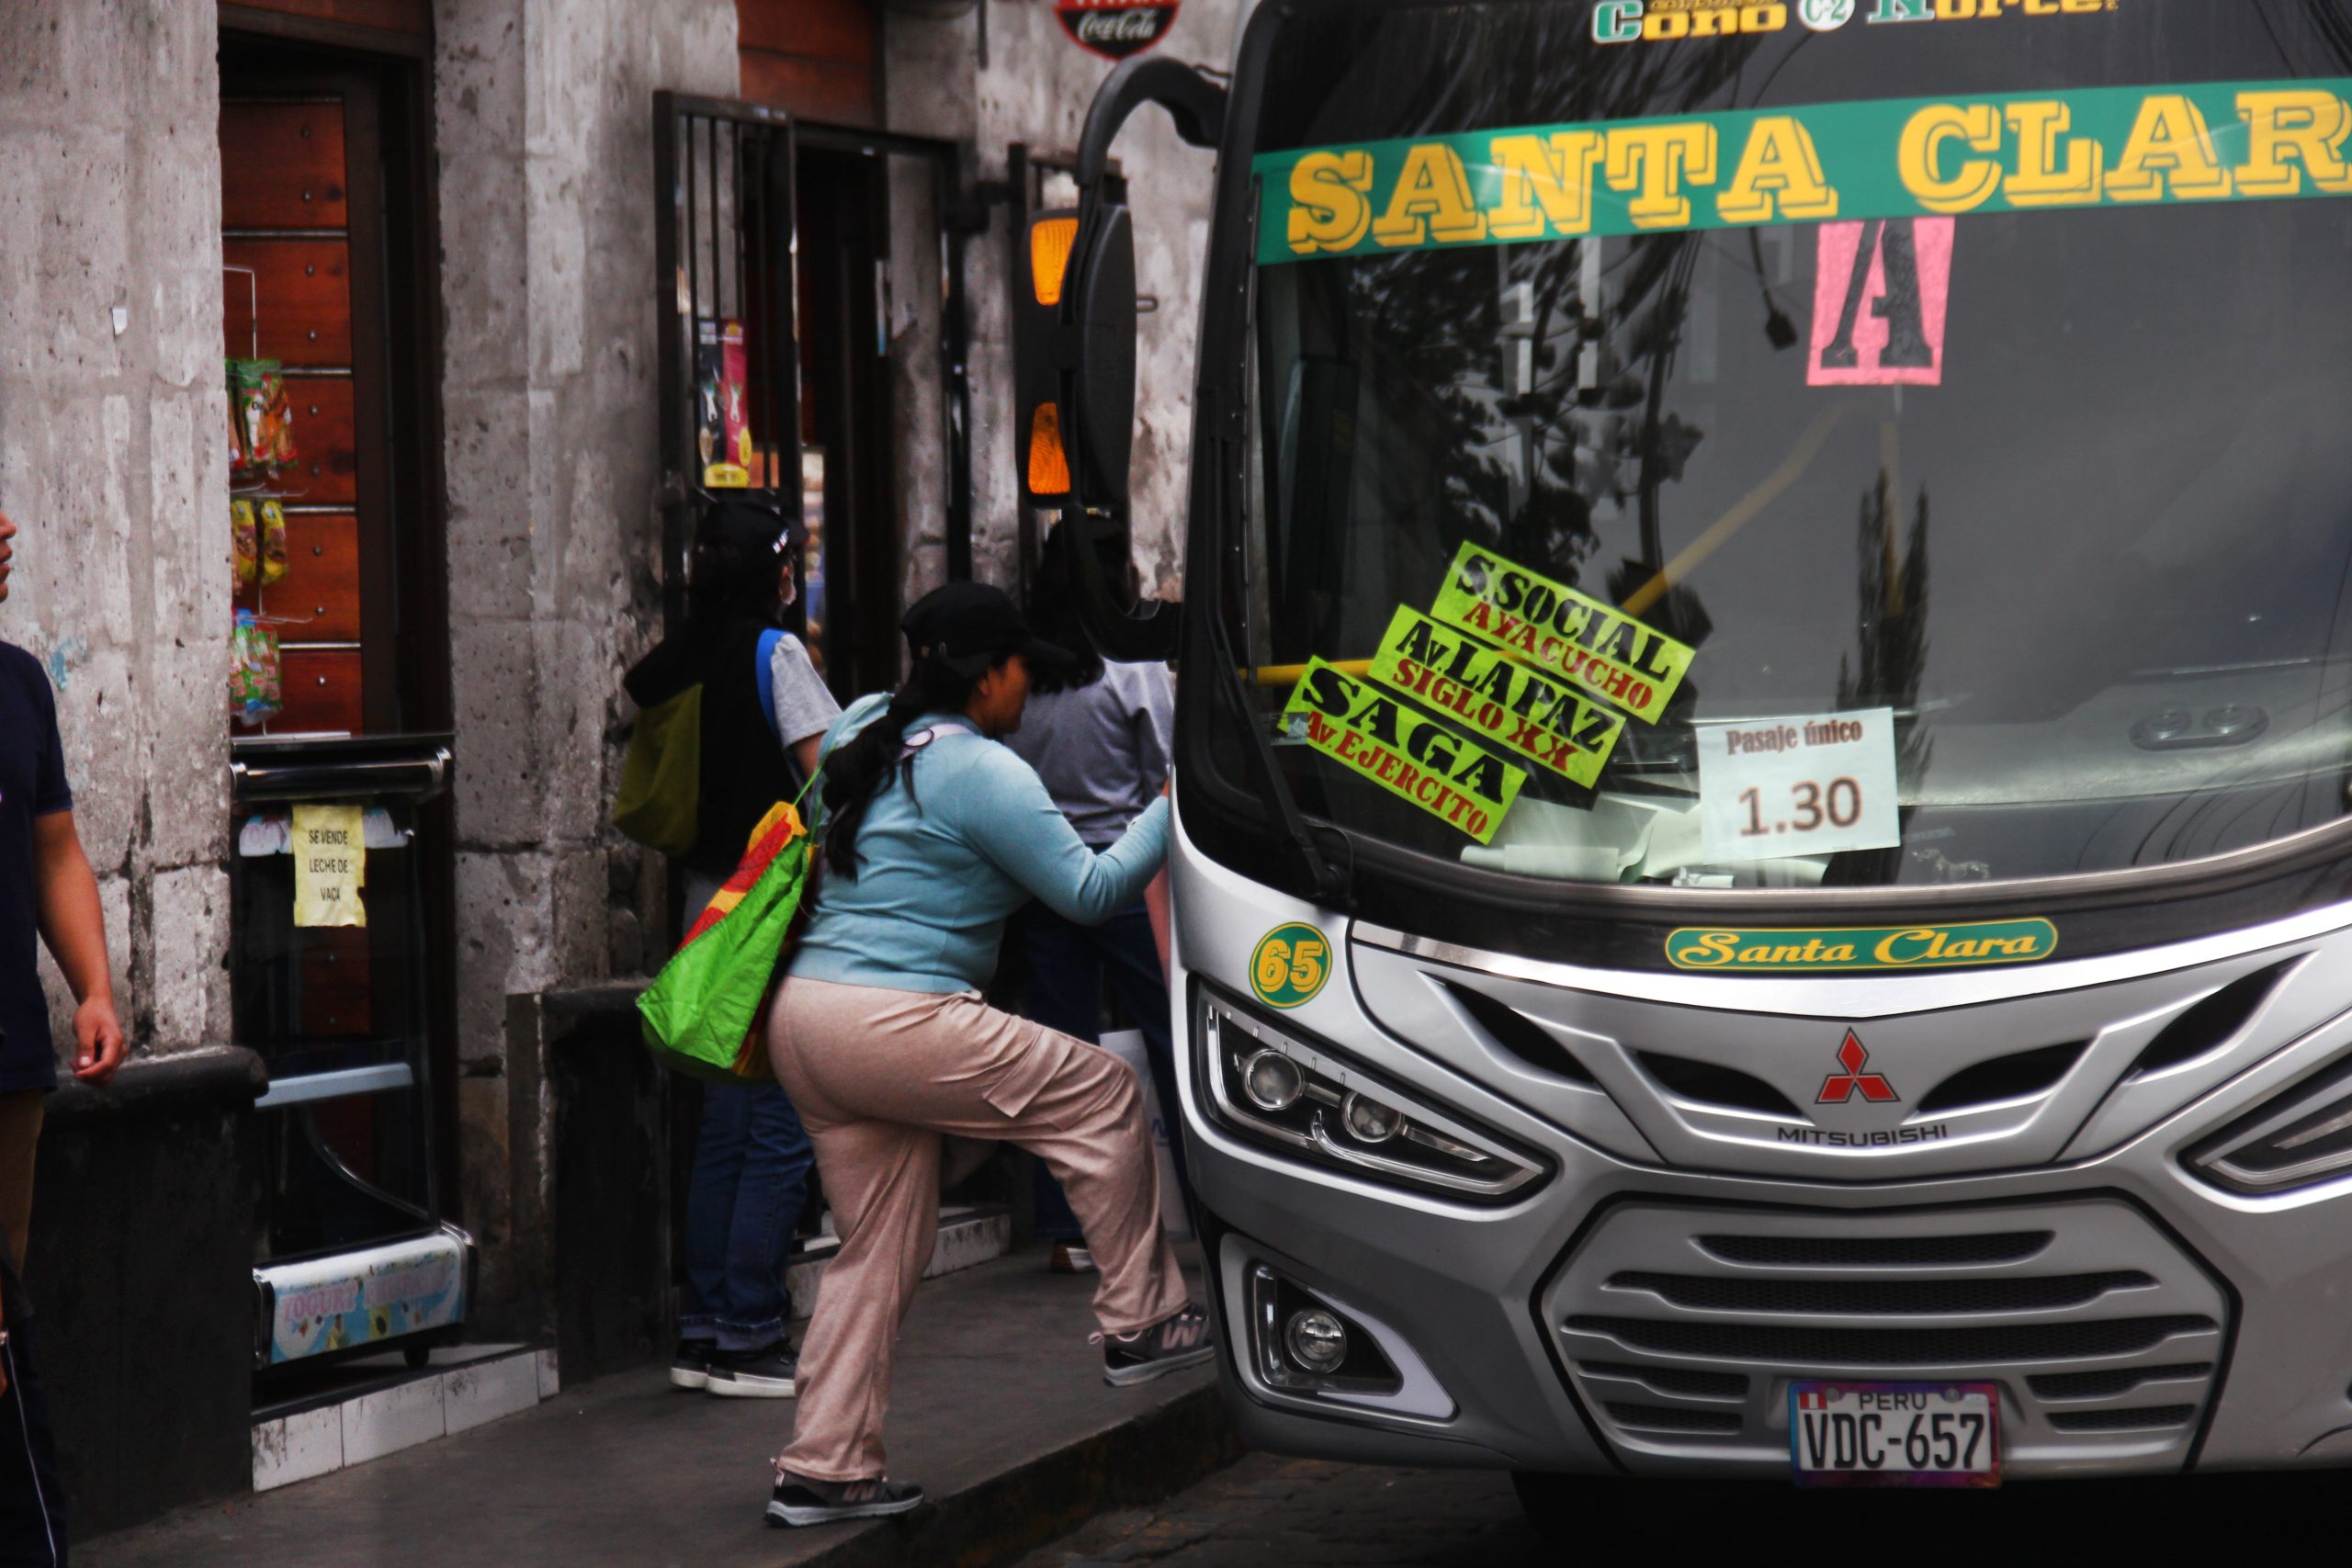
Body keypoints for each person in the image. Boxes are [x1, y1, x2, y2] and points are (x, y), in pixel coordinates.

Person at [762, 582, 1208, 1529]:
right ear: (989, 675)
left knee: (878, 1248)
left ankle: (824, 1468)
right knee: (1105, 1090)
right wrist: (1170, 803)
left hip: (806, 1017)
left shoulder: (868, 727)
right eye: (1022, 676)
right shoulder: (980, 770)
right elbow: (1088, 893)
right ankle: (1144, 1320)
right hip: (891, 1018)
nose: (1029, 697)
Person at [624, 501, 838, 1400]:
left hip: (704, 901)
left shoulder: (680, 657)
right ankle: (750, 1330)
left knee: (722, 1123)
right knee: (782, 1119)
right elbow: (828, 774)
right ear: (773, 572)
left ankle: (706, 1327)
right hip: (769, 903)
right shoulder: (774, 653)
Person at [1002, 530, 1188, 1274]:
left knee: (1058, 1055)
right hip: (1126, 874)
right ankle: (1209, 1205)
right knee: (1173, 1039)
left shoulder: (1024, 673)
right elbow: (1168, 773)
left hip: (1043, 876)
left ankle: (1064, 1225)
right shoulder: (1130, 666)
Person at [0, 505, 119, 1562]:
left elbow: (54, 848)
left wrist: (93, 985)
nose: (4, 530)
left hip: (8, 1063)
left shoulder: (19, 681)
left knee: (4, 1311)